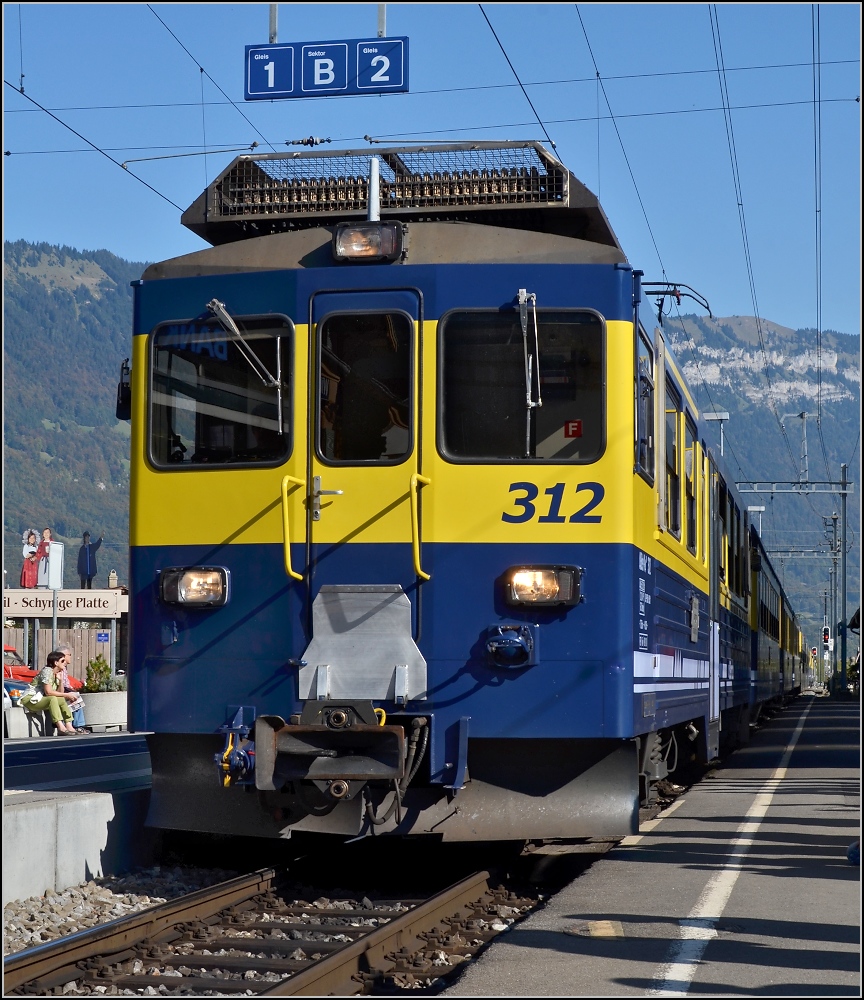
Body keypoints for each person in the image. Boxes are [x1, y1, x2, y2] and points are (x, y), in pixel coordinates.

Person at [21, 651, 83, 735]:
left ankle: (69, 726)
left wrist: (60, 681)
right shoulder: (47, 671)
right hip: (30, 699)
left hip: (41, 699)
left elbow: (60, 693)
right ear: (56, 662)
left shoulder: (56, 673)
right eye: (62, 661)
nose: (65, 663)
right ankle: (60, 727)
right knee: (52, 698)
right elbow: (48, 692)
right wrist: (67, 695)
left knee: (60, 699)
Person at [57, 645, 86, 731]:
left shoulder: (64, 668)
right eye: (69, 655)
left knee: (76, 697)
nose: (70, 657)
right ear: (64, 655)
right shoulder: (58, 667)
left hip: (63, 690)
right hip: (58, 692)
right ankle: (78, 726)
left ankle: (78, 725)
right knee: (75, 698)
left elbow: (67, 684)